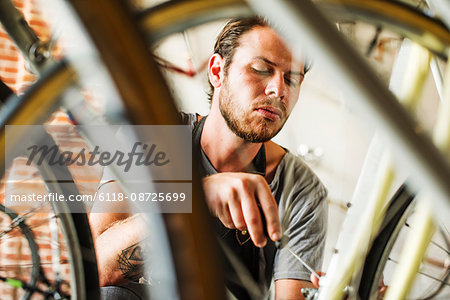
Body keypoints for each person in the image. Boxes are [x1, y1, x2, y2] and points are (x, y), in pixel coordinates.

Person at [90, 16, 328, 300]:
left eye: (292, 79)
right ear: (217, 71)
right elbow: (94, 271)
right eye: (262, 69)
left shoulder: (302, 190)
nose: (279, 90)